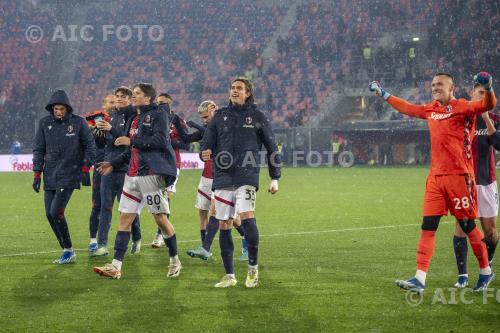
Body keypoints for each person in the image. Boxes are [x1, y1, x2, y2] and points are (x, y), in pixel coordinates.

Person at [369, 71, 497, 293]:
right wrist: (384, 94)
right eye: (433, 85)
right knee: (428, 227)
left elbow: (488, 104)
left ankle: (485, 271)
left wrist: (489, 87)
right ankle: (420, 279)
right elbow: (407, 108)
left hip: (460, 177)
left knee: (468, 226)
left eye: (440, 84)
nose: (435, 87)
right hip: (435, 180)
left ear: (451, 88)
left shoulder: (464, 107)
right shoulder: (430, 109)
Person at [93, 83, 180, 279]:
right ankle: (116, 266)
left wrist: (131, 141)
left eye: (137, 93)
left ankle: (175, 259)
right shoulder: (135, 119)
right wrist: (113, 164)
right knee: (125, 218)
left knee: (160, 219)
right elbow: (132, 150)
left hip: (150, 175)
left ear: (148, 98)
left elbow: (159, 141)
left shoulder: (159, 115)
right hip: (131, 176)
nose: (134, 96)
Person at [200, 77, 281, 288]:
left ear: (247, 94)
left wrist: (275, 178)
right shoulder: (220, 117)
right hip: (223, 177)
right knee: (224, 223)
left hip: (246, 175)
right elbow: (206, 145)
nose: (235, 91)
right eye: (232, 88)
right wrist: (205, 153)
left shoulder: (257, 116)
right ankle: (229, 275)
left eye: (239, 88)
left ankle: (253, 268)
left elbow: (272, 148)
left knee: (246, 218)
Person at [176, 100, 248, 261]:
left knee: (228, 217)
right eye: (202, 118)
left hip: (226, 177)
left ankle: (246, 243)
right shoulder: (209, 129)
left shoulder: (229, 124)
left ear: (214, 109)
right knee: (203, 211)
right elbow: (197, 145)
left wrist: (198, 126)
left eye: (206, 116)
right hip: (207, 176)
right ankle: (204, 248)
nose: (205, 120)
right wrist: (202, 153)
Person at [32, 90, 95, 264]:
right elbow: (38, 149)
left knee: (56, 212)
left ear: (67, 108)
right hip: (50, 174)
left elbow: (90, 147)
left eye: (61, 109)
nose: (58, 112)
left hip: (70, 173)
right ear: (51, 109)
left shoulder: (79, 122)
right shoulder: (44, 123)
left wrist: (84, 168)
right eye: (56, 109)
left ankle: (68, 250)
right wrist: (37, 174)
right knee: (49, 214)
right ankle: (67, 250)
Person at [453, 83, 500, 288]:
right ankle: (462, 276)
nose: (482, 97)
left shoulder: (493, 118)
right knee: (461, 228)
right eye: (479, 93)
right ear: (472, 93)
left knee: (490, 231)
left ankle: (487, 266)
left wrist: (487, 117)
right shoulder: (462, 116)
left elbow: (498, 144)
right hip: (464, 182)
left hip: (486, 183)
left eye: (486, 94)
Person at [93, 86, 142, 256]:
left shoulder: (133, 116)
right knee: (105, 207)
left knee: (127, 209)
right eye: (117, 96)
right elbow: (107, 142)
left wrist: (111, 130)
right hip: (108, 167)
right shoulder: (111, 116)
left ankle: (136, 238)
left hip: (125, 169)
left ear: (129, 99)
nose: (119, 99)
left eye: (123, 96)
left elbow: (125, 140)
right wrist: (98, 134)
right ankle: (102, 245)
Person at [151, 93, 190, 248]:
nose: (160, 105)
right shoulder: (152, 118)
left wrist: (166, 141)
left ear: (170, 104)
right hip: (154, 163)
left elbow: (186, 144)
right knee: (156, 198)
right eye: (158, 102)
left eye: (163, 103)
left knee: (167, 198)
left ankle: (160, 234)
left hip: (172, 163)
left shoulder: (177, 120)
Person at [86, 94, 114, 253]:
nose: (113, 104)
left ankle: (134, 237)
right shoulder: (96, 119)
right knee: (97, 204)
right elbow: (98, 139)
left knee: (122, 205)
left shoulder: (122, 118)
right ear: (104, 104)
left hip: (116, 165)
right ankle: (93, 240)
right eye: (110, 102)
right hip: (99, 165)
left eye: (114, 102)